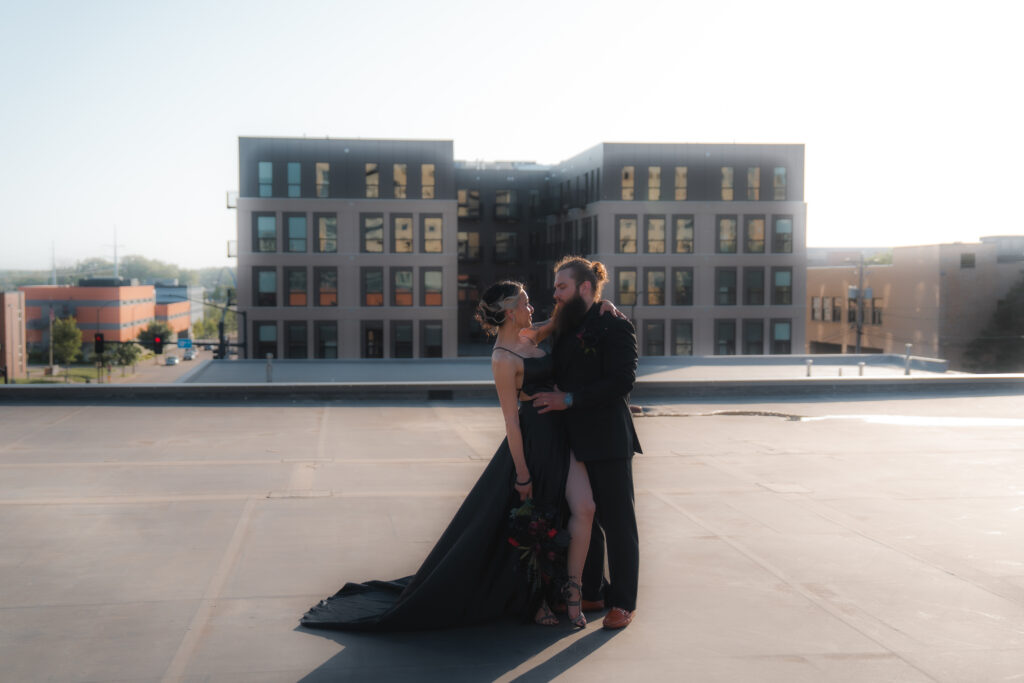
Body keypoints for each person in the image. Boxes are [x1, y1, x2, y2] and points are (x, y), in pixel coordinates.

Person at [300, 281, 614, 631]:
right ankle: (538, 600)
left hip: (563, 434)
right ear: (509, 311)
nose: (532, 308)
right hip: (534, 442)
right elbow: (511, 421)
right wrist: (522, 473)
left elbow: (566, 319)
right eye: (525, 303)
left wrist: (605, 308)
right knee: (537, 525)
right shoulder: (503, 358)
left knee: (584, 507)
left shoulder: (531, 336)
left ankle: (574, 594)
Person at [528, 256, 642, 631]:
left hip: (608, 440)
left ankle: (623, 603)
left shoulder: (615, 325)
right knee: (584, 519)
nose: (555, 293)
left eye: (562, 286)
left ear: (585, 288)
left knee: (618, 523)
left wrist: (570, 399)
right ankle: (592, 591)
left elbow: (622, 382)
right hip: (569, 442)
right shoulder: (562, 323)